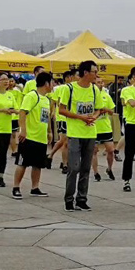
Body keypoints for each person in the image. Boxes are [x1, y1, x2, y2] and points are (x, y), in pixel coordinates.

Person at [58, 61, 101, 210]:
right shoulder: (69, 89)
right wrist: (80, 117)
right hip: (75, 133)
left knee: (85, 168)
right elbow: (61, 110)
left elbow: (98, 109)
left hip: (90, 133)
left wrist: (93, 117)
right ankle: (69, 199)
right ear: (85, 73)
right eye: (94, 72)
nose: (96, 75)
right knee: (74, 167)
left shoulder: (95, 90)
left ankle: (82, 198)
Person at [12, 71, 53, 199]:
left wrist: (49, 131)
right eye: (52, 82)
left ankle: (35, 188)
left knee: (38, 164)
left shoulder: (46, 99)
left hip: (41, 137)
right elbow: (22, 113)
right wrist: (23, 130)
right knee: (23, 163)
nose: (53, 85)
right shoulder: (32, 96)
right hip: (29, 137)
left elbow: (47, 118)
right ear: (46, 83)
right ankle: (16, 187)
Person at [90, 75, 118, 183]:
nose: (101, 84)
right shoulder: (90, 96)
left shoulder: (106, 95)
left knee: (110, 150)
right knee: (94, 151)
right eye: (98, 82)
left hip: (106, 127)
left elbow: (112, 111)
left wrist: (104, 109)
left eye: (102, 82)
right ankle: (96, 172)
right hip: (94, 127)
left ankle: (109, 169)